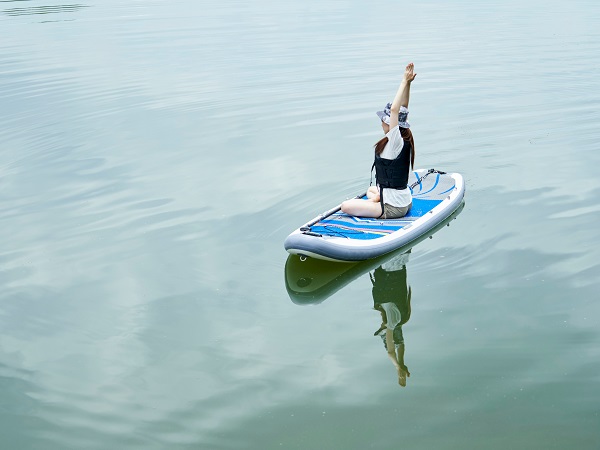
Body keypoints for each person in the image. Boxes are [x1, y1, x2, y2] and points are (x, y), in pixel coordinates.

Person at [341, 63, 417, 219]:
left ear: (390, 123)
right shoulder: (403, 137)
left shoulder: (396, 141)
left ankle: (378, 202)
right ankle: (377, 198)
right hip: (403, 200)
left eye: (384, 120)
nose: (381, 122)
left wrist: (403, 81)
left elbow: (396, 110)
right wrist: (408, 84)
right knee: (371, 191)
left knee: (345, 206)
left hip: (393, 207)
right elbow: (403, 108)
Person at [371, 250, 412, 386]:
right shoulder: (392, 320)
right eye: (381, 329)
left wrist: (402, 362)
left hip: (400, 263)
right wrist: (397, 366)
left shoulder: (401, 316)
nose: (381, 325)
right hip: (388, 264)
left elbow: (400, 344)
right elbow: (390, 352)